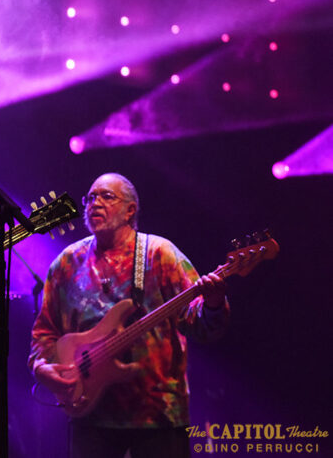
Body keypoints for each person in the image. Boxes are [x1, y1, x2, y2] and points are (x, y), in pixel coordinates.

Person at [29, 173, 229, 458]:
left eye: (107, 196)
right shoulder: (66, 263)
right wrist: (41, 367)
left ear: (130, 210)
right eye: (91, 198)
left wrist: (213, 303)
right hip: (90, 413)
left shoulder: (159, 253)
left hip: (156, 414)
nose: (95, 203)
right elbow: (44, 332)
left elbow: (202, 326)